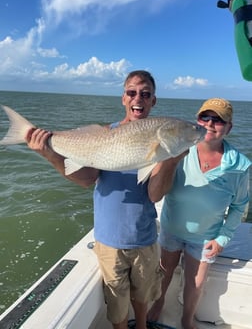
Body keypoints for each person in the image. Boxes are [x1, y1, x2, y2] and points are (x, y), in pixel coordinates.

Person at [25, 70, 184, 329]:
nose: (138, 98)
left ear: (153, 101)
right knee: (117, 304)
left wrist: (171, 160)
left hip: (144, 238)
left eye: (145, 94)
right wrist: (50, 154)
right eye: (132, 92)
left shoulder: (161, 141)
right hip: (109, 241)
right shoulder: (105, 133)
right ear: (123, 98)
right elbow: (87, 178)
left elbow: (154, 194)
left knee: (142, 297)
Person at [147, 98, 251, 329]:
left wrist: (222, 239)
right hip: (172, 228)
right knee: (163, 272)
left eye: (219, 120)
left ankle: (187, 318)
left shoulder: (239, 165)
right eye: (205, 117)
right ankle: (159, 301)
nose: (210, 124)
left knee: (197, 282)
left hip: (205, 236)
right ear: (197, 121)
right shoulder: (178, 150)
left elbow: (239, 206)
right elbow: (156, 187)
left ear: (229, 127)